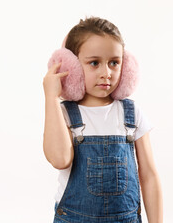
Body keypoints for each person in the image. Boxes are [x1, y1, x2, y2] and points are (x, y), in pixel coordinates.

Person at [42, 17, 163, 223]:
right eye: (94, 63)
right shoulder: (64, 114)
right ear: (72, 67)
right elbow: (59, 160)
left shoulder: (132, 113)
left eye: (114, 63)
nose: (106, 73)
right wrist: (51, 98)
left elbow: (149, 175)